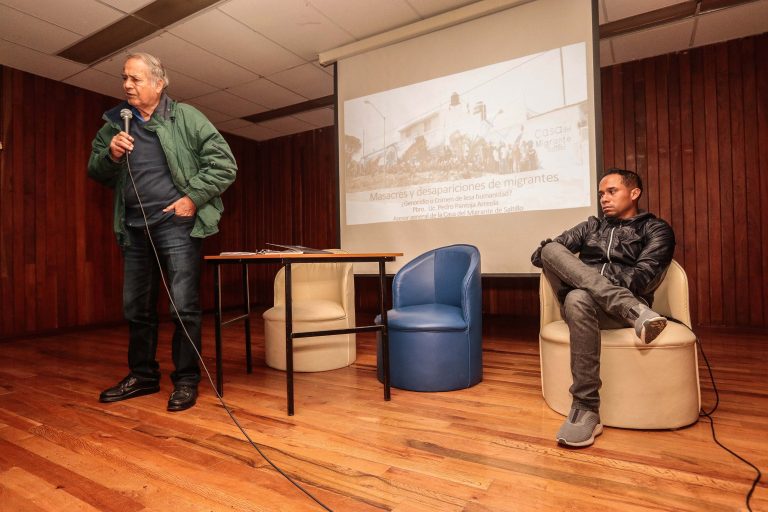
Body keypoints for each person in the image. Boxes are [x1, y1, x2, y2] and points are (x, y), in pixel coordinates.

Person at [88, 53, 237, 412]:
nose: (127, 86)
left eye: (136, 79)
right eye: (124, 78)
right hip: (134, 230)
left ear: (159, 82)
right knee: (136, 309)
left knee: (184, 307)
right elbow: (97, 172)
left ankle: (186, 381)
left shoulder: (185, 117)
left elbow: (224, 164)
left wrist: (193, 198)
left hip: (176, 226)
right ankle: (142, 376)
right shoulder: (114, 125)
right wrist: (109, 155)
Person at [531, 168, 675, 447]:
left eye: (612, 192)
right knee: (550, 251)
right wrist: (589, 280)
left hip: (615, 311)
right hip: (619, 309)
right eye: (601, 194)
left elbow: (643, 276)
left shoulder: (656, 229)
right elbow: (541, 256)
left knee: (577, 297)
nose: (604, 199)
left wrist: (585, 281)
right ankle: (633, 311)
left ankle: (585, 407)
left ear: (634, 193)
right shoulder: (591, 226)